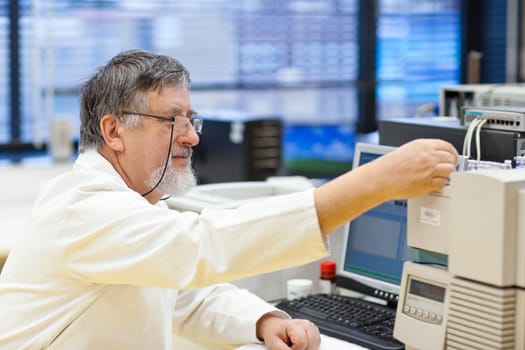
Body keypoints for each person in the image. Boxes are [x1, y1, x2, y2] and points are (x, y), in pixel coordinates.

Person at [0, 49, 458, 350]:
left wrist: (262, 320)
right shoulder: (84, 210)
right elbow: (200, 247)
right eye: (172, 120)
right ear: (113, 131)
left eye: (192, 118)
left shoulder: (132, 205)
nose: (193, 137)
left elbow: (181, 297)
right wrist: (374, 182)